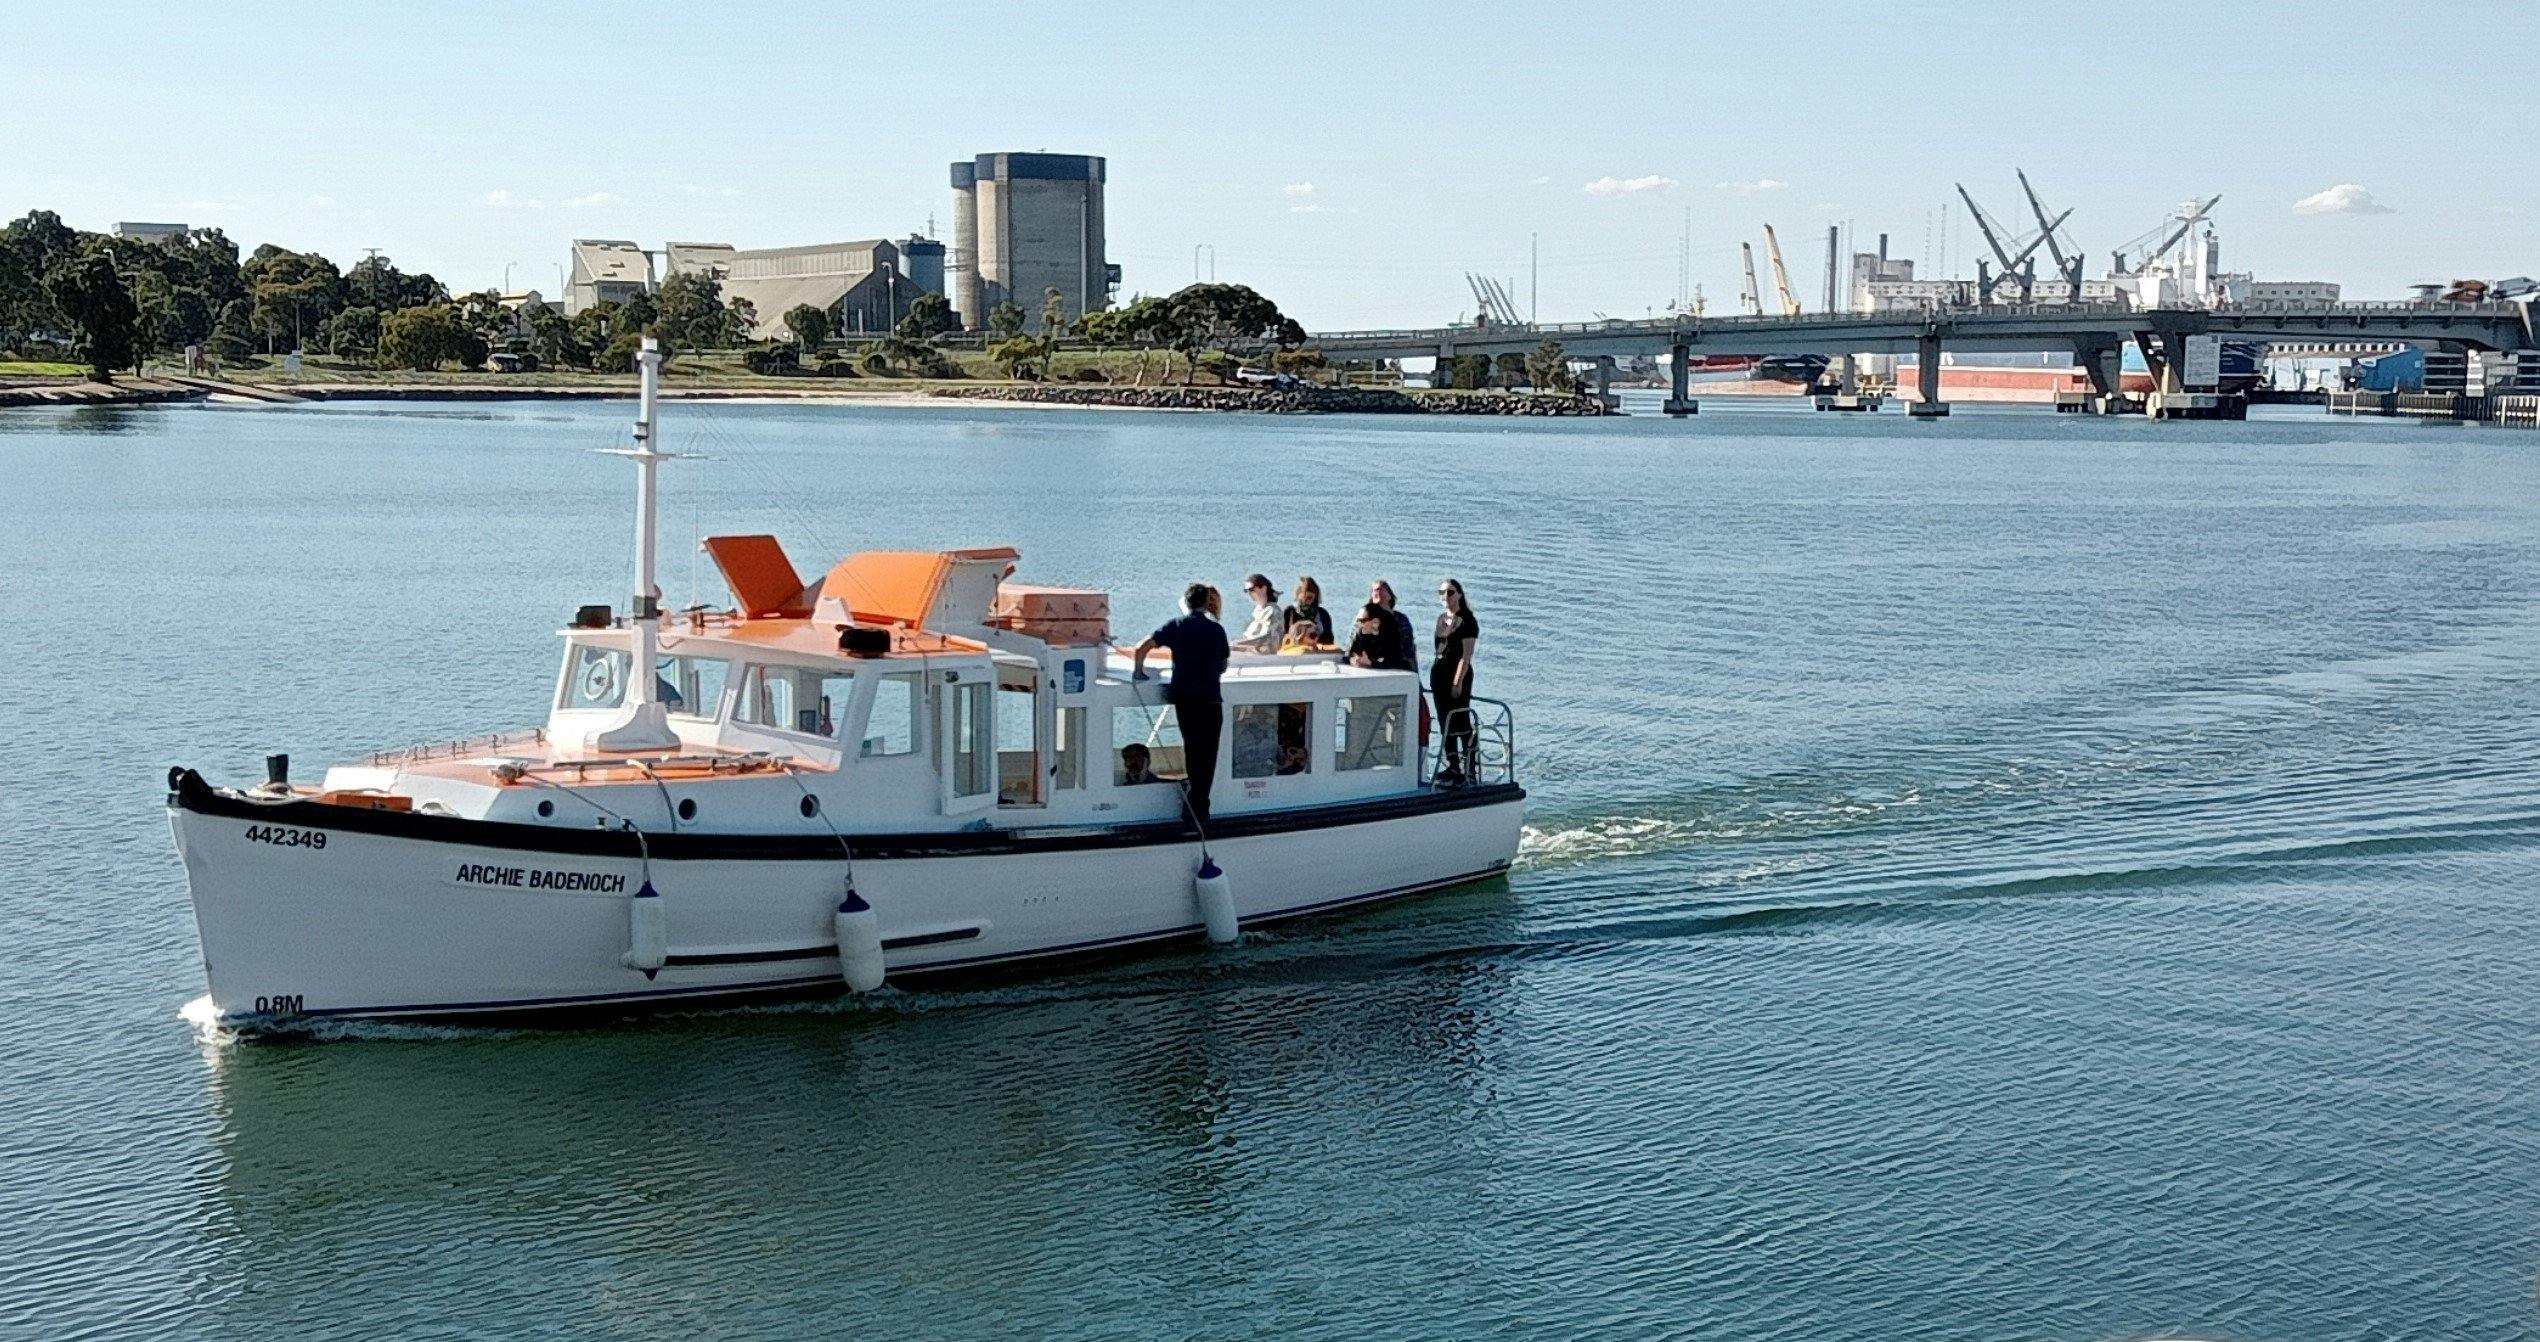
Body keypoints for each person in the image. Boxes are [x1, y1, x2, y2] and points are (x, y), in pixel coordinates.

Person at [1131, 582, 1230, 823]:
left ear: (1186, 602)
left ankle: (1194, 805)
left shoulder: (1176, 626)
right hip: (1210, 698)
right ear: (1207, 603)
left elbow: (1141, 647)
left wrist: (1138, 671)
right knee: (1208, 755)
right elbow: (1223, 664)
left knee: (1192, 750)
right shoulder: (1216, 630)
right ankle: (1200, 807)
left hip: (1185, 698)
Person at [1432, 577, 1480, 784]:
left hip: (1457, 673)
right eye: (1442, 592)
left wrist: (1457, 681)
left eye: (1450, 592)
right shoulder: (1442, 618)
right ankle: (1453, 767)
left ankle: (1470, 769)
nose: (1446, 596)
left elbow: (1466, 656)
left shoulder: (1467, 621)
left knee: (1461, 721)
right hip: (1439, 672)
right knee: (1445, 722)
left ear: (1459, 594)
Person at [1368, 581, 1419, 674]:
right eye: (1376, 589)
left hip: (1397, 668)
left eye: (1383, 589)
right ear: (1371, 596)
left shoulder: (1401, 619)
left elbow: (1409, 652)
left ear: (1390, 596)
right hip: (1372, 668)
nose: (1379, 591)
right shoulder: (1365, 619)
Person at [1346, 603, 1413, 671]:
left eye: (1362, 621)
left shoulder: (1391, 635)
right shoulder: (1360, 633)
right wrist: (1354, 659)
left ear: (1375, 622)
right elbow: (1350, 654)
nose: (1358, 624)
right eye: (1357, 621)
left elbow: (1400, 663)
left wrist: (1371, 663)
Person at [1232, 573, 1283, 652]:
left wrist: (1236, 645)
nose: (1249, 594)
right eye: (1247, 591)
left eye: (1251, 589)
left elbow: (1265, 638)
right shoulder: (1258, 610)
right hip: (1251, 651)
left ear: (1264, 588)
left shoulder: (1272, 610)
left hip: (1265, 655)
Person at [1281, 575, 1333, 649]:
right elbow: (1282, 637)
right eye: (1305, 591)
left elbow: (1329, 640)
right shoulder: (1289, 612)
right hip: (1294, 652)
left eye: (1312, 591)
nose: (1309, 594)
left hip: (1318, 652)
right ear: (1298, 593)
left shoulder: (1323, 614)